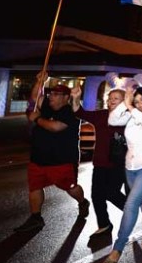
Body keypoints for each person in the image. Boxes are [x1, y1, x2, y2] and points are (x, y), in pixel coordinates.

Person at [14, 71, 91, 233]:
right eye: (51, 93)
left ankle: (83, 202)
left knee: (70, 187)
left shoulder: (71, 112)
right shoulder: (47, 106)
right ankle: (36, 218)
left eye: (56, 94)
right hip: (38, 158)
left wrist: (36, 118)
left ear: (65, 97)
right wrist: (40, 81)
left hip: (61, 160)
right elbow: (36, 97)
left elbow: (55, 127)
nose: (51, 97)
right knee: (34, 186)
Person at [100, 86, 142, 263]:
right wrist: (125, 103)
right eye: (136, 101)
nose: (140, 104)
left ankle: (117, 249)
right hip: (131, 166)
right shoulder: (132, 115)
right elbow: (113, 119)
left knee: (131, 204)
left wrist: (130, 106)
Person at [71, 86, 128, 237]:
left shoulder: (129, 118)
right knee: (96, 195)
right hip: (100, 163)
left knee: (111, 192)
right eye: (109, 98)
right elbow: (79, 112)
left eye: (116, 98)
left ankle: (131, 210)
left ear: (124, 101)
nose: (111, 101)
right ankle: (104, 224)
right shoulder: (102, 115)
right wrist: (76, 98)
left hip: (119, 164)